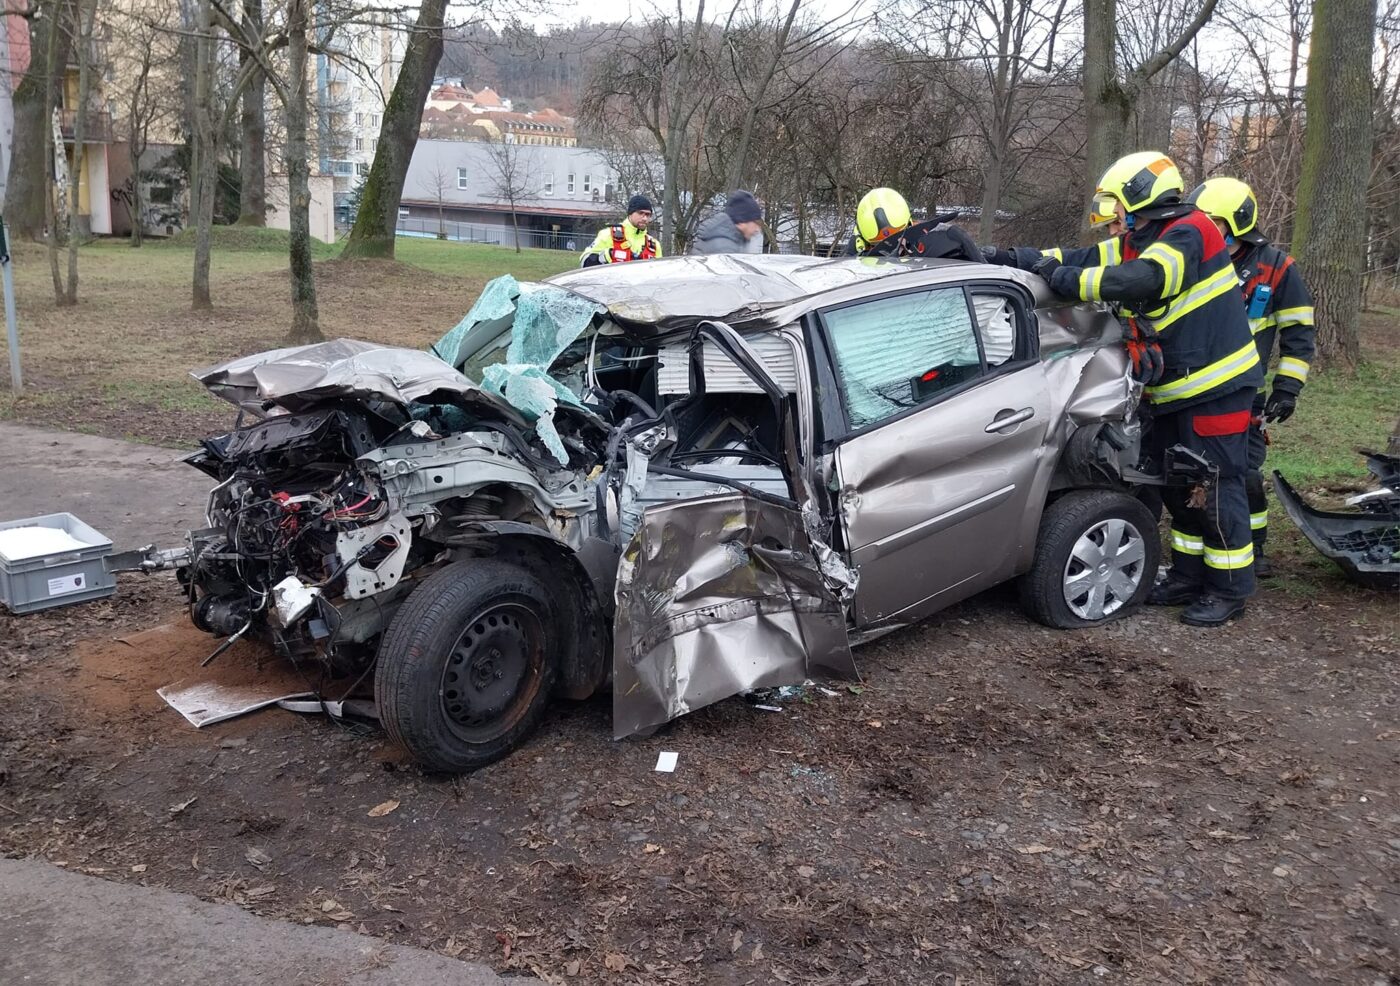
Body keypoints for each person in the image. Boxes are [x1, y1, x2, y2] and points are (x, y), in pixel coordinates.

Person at [987, 151, 1264, 626]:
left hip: (1217, 388)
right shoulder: (1140, 239)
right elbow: (1077, 259)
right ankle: (1188, 576)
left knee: (1215, 489)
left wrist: (1067, 279)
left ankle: (1230, 589)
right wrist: (1006, 258)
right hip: (1176, 391)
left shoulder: (1192, 231)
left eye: (1114, 204)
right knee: (1181, 491)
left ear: (1139, 195)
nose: (1111, 217)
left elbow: (1147, 279)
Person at [1186, 176, 1315, 576]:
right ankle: (1193, 555)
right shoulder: (1192, 259)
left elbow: (1298, 332)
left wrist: (1288, 388)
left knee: (1243, 475)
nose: (1206, 232)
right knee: (1190, 474)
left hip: (1245, 393)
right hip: (1188, 388)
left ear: (1237, 223)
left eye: (1214, 224)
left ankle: (1252, 549)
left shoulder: (1276, 268)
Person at [843, 187, 983, 261]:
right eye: (878, 245)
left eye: (899, 239)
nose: (896, 249)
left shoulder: (933, 241)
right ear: (864, 243)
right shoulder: (851, 260)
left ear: (910, 225)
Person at [580, 195, 662, 267]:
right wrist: (607, 255)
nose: (645, 218)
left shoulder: (654, 245)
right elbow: (584, 262)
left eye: (648, 215)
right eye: (641, 213)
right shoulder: (608, 235)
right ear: (630, 213)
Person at [691, 190, 765, 255]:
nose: (757, 229)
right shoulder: (725, 249)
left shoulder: (731, 239)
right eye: (754, 222)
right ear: (741, 222)